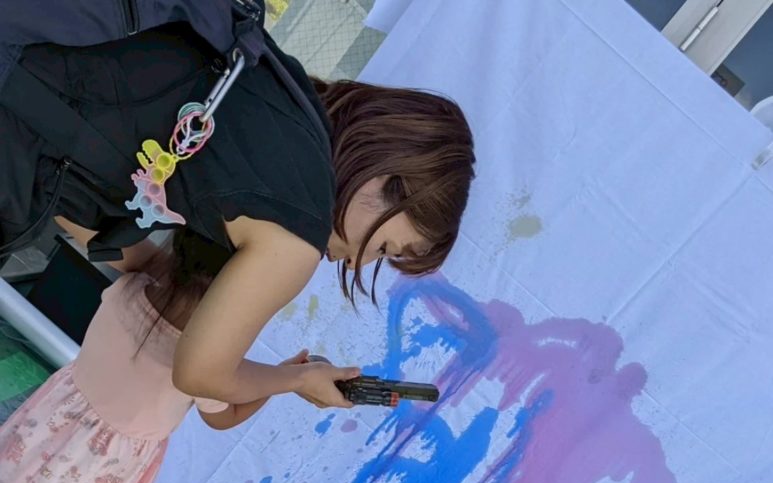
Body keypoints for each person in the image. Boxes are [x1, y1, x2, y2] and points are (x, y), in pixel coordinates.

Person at [0, 20, 475, 408]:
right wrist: (298, 380)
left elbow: (92, 191)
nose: (355, 262)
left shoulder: (278, 95)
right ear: (386, 180)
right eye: (384, 248)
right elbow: (200, 373)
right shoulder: (298, 231)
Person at [0, 246, 310, 483]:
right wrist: (279, 380)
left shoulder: (127, 290)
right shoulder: (201, 365)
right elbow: (225, 417)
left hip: (42, 436)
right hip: (97, 479)